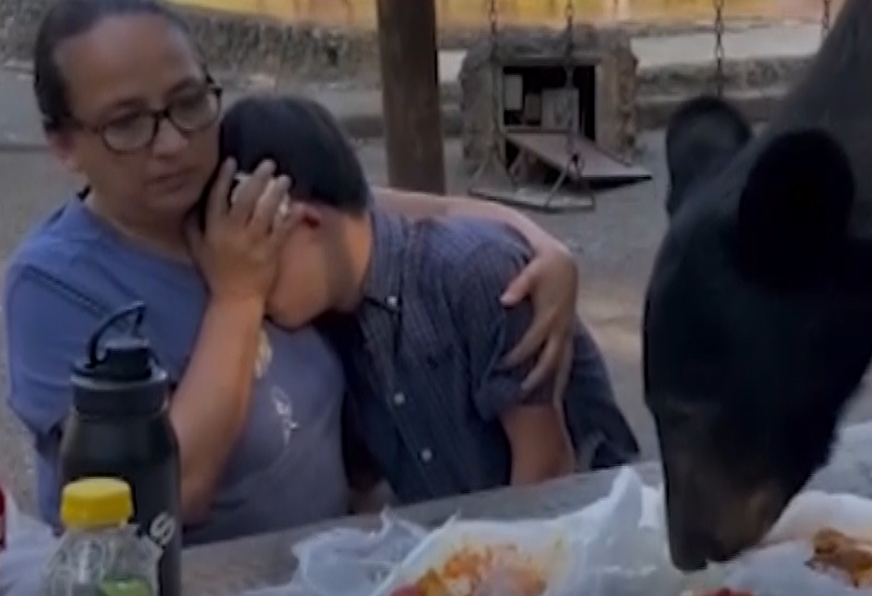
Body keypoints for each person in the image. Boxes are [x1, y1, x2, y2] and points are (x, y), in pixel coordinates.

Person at [4, 0, 580, 544]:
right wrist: (236, 298)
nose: (175, 143)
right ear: (64, 145)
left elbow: (384, 214)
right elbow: (170, 496)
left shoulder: (234, 194)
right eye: (127, 123)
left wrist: (545, 249)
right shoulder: (54, 285)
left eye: (188, 102)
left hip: (330, 576)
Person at [216, 94, 641, 504]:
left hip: (583, 528)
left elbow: (546, 468)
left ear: (305, 222)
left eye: (256, 256)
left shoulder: (475, 274)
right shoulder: (330, 322)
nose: (247, 281)